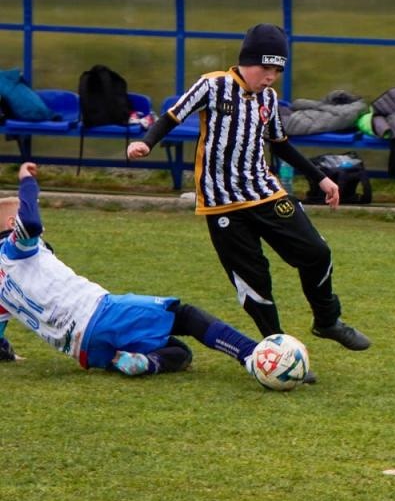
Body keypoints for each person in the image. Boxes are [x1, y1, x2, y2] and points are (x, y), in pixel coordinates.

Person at [126, 24, 371, 351]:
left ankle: (327, 320)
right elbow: (173, 115)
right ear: (247, 61)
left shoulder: (268, 98)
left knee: (317, 252)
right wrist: (146, 143)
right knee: (254, 281)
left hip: (265, 194)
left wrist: (321, 177)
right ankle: (278, 348)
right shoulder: (212, 86)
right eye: (265, 68)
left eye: (277, 70)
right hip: (223, 204)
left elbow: (280, 144)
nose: (270, 76)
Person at [0, 162, 261, 378]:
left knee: (179, 352)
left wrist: (7, 353)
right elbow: (32, 224)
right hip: (100, 314)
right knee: (185, 316)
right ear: (14, 224)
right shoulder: (14, 249)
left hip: (85, 352)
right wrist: (27, 183)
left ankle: (144, 363)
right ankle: (253, 355)